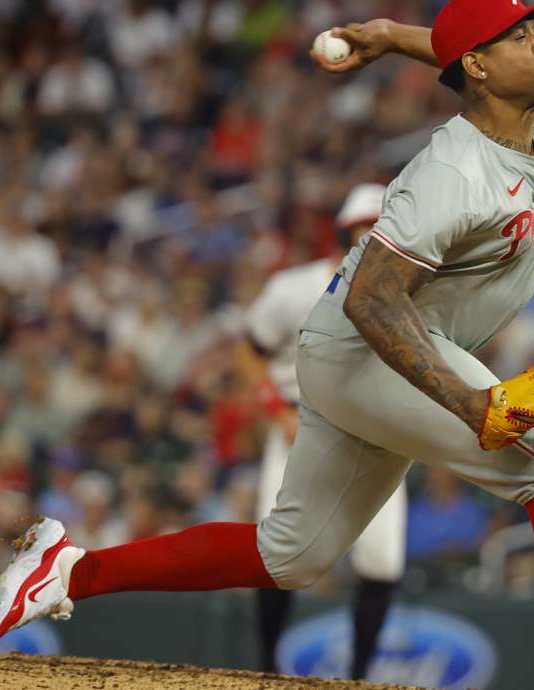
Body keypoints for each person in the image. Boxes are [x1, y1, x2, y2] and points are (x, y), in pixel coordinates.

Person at [0, 3, 534, 689]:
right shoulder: (450, 175)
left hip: (376, 353)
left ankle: (66, 571)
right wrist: (471, 402)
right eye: (517, 33)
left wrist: (388, 33)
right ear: (479, 67)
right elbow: (371, 297)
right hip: (365, 349)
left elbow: (453, 49)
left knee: (294, 554)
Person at [235, 183, 405, 678]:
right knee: (275, 556)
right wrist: (274, 408)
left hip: (376, 433)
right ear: (343, 231)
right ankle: (266, 669)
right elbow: (248, 350)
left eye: (384, 226)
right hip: (300, 424)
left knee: (381, 561)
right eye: (365, 227)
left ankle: (358, 677)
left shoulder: (411, 295)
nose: (374, 236)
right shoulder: (293, 287)